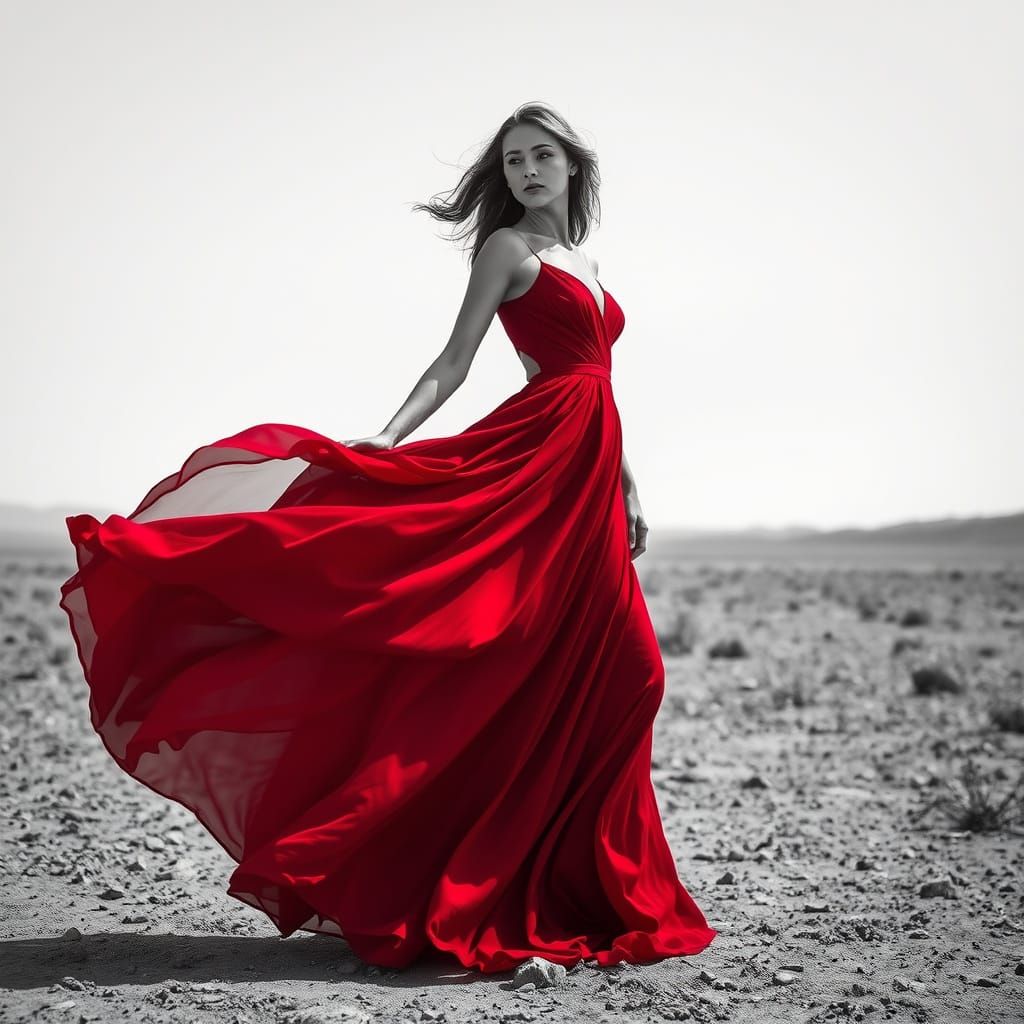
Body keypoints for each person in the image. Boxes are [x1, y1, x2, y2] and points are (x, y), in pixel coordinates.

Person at [58, 101, 717, 975]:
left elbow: (599, 381)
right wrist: (391, 434)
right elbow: (459, 360)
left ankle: (580, 883)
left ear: (572, 166)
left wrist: (628, 484)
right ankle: (438, 872)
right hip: (534, 467)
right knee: (515, 656)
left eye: (540, 157)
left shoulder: (587, 263)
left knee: (624, 672)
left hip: (588, 477)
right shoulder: (507, 251)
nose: (526, 171)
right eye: (513, 160)